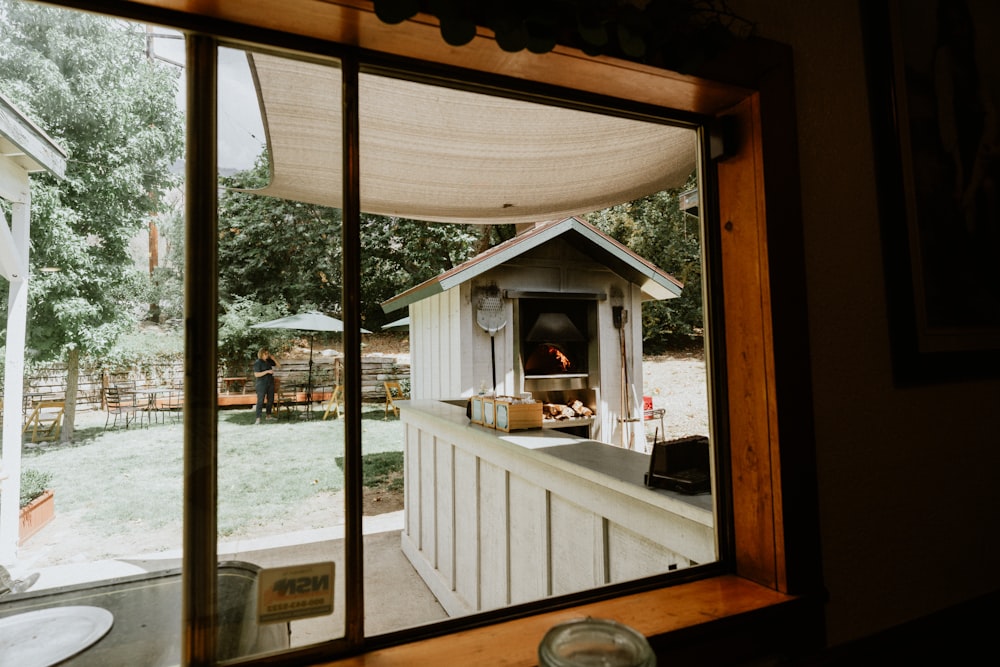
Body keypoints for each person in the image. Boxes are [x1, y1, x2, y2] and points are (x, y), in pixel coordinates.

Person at [253, 348, 280, 424]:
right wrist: (267, 371)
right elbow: (256, 374)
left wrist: (274, 359)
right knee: (260, 401)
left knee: (270, 400)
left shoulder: (268, 361)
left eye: (268, 353)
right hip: (261, 384)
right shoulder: (258, 362)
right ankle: (258, 418)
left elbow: (279, 365)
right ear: (261, 354)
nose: (267, 355)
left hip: (270, 383)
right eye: (265, 354)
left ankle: (268, 415)